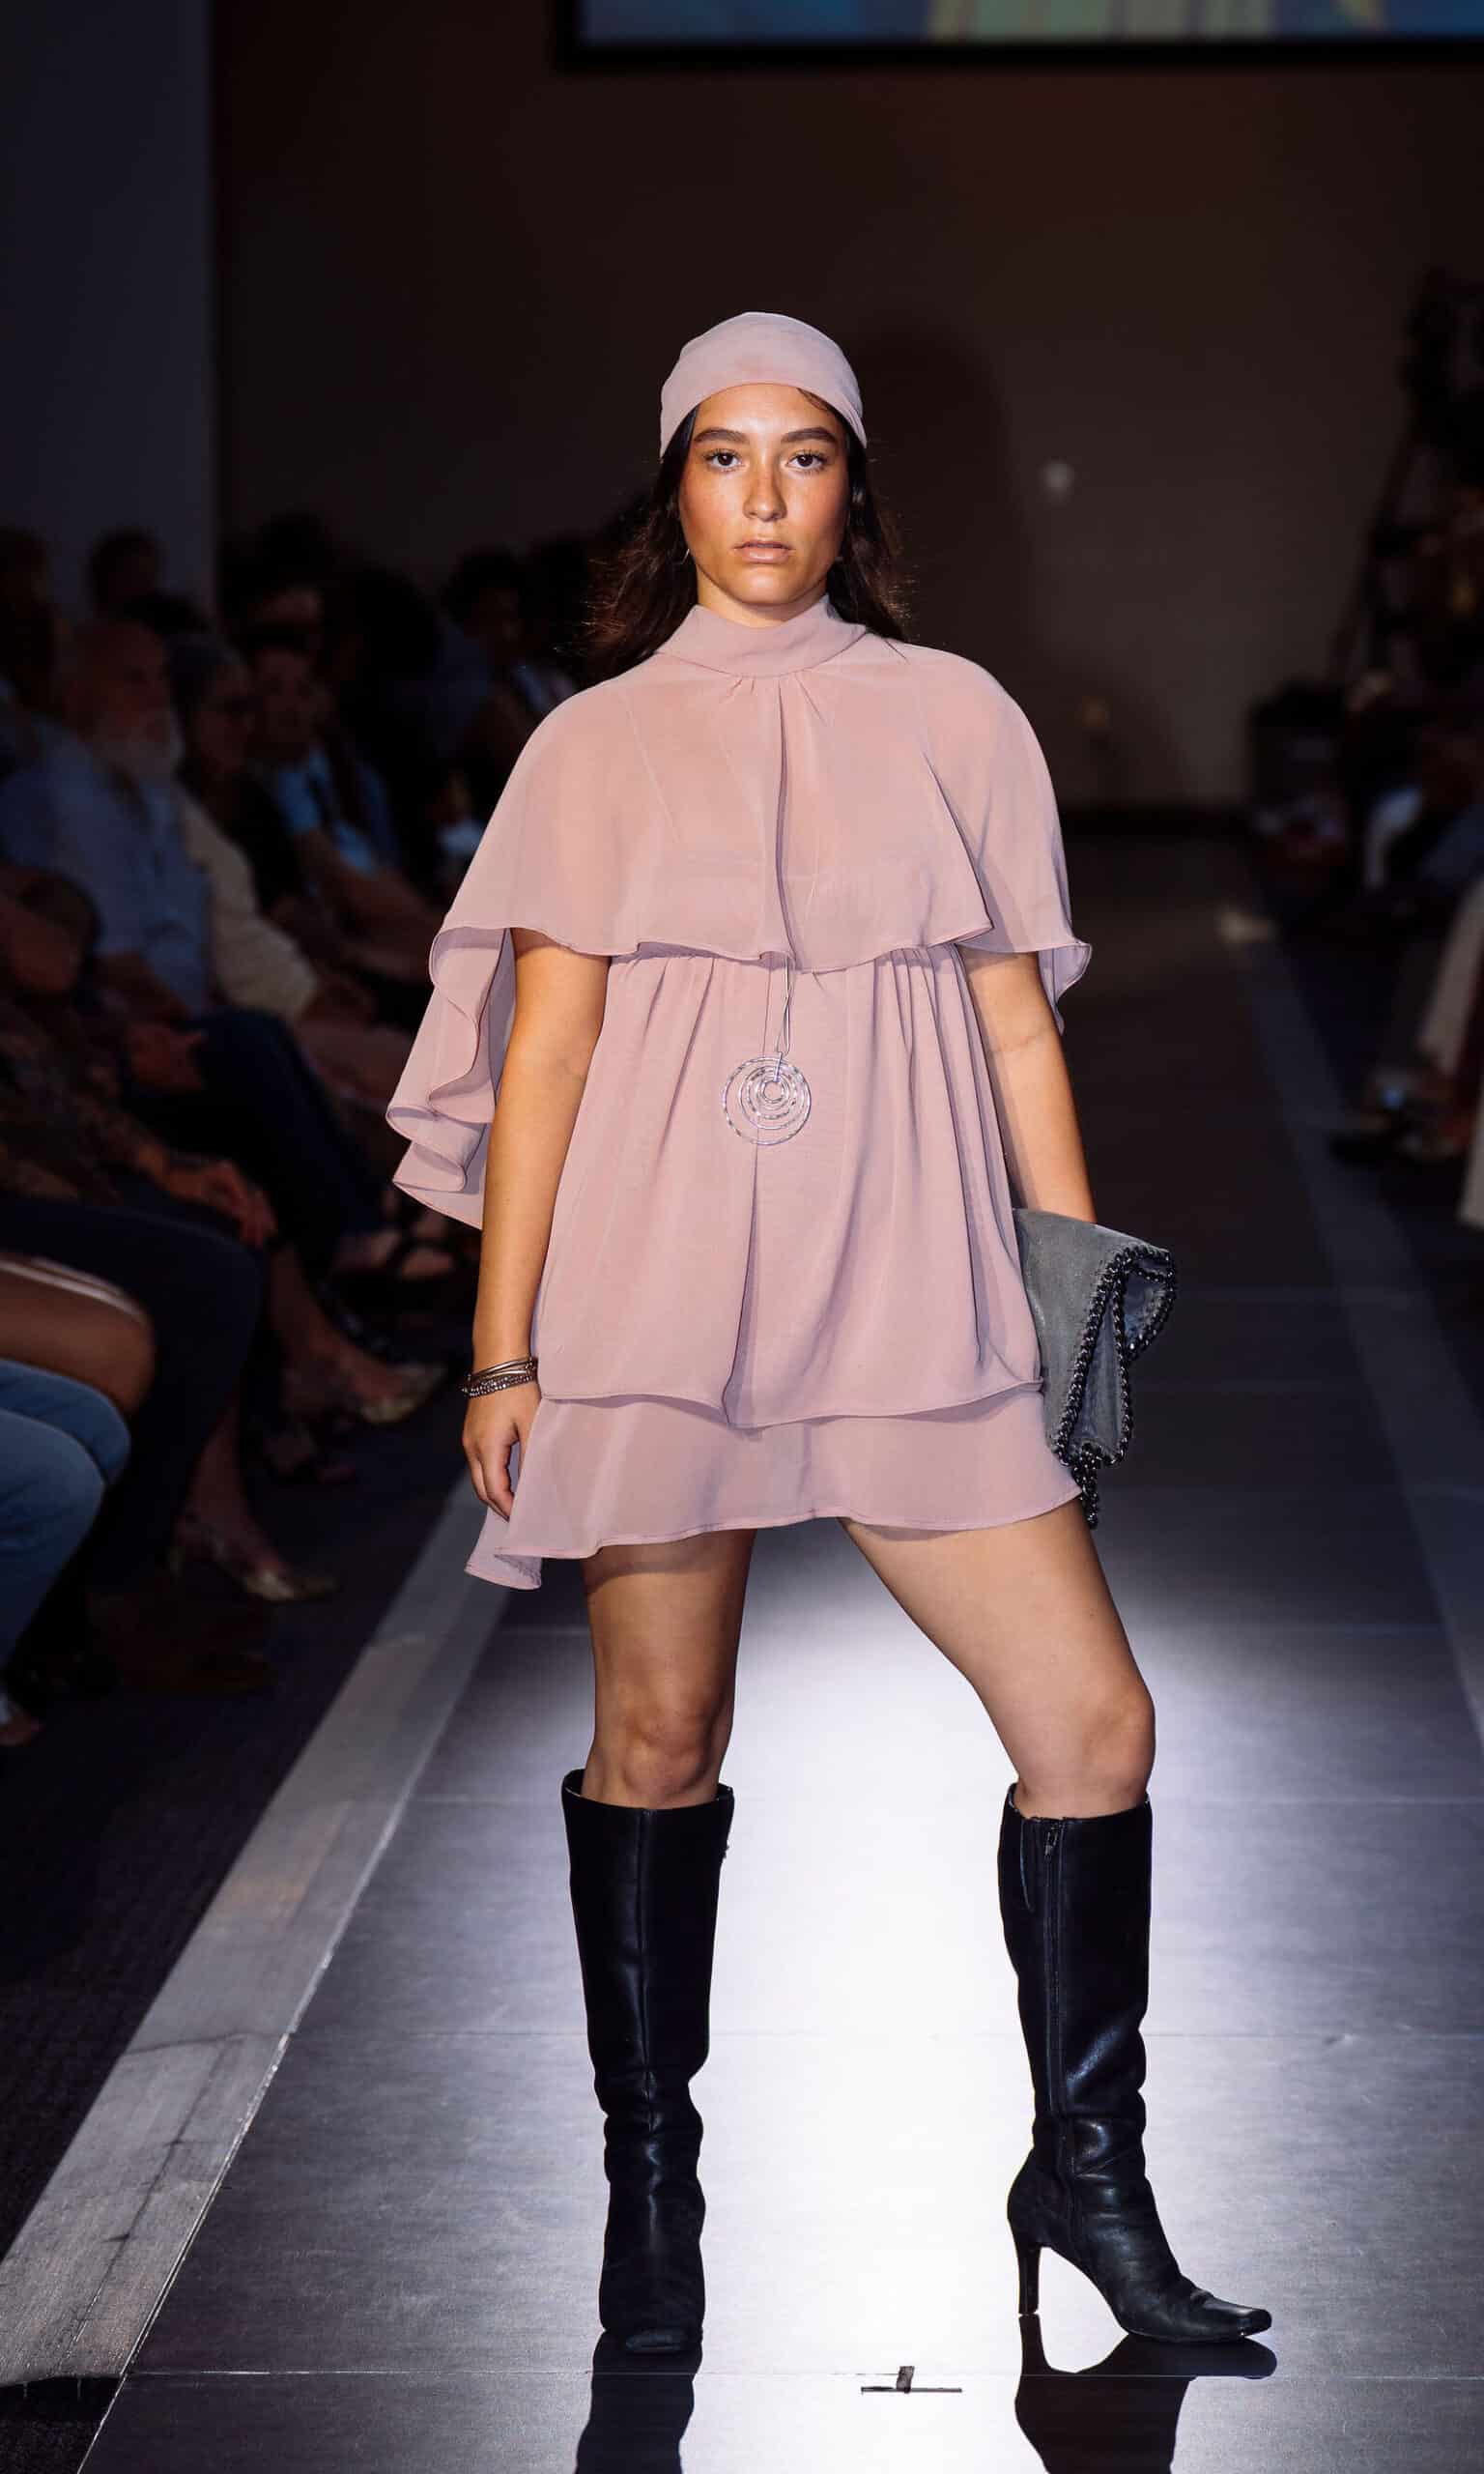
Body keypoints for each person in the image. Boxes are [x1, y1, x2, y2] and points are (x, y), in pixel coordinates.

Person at [387, 310, 1270, 2357]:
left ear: (854, 486)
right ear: (671, 484)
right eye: (724, 454)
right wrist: (499, 1350)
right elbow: (547, 1064)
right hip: (654, 1284)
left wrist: (1071, 1287)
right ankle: (649, 2194)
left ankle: (1085, 2168)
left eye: (804, 456)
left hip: (910, 1280)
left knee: (1094, 1728)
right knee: (659, 1742)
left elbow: (1009, 1015)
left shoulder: (955, 715)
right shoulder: (589, 744)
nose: (764, 495)